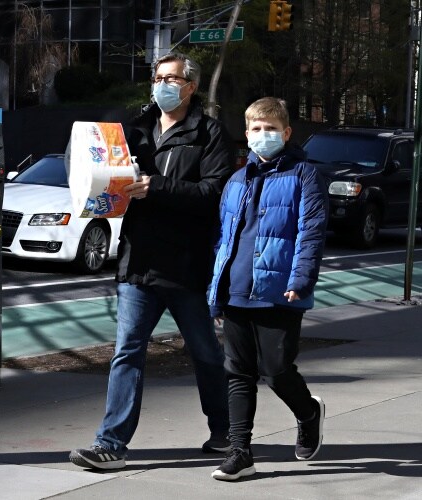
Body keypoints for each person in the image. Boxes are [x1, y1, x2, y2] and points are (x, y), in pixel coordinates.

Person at [69, 52, 236, 470]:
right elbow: (110, 176)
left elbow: (213, 194)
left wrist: (155, 187)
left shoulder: (210, 134)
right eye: (158, 77)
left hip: (185, 264)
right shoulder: (136, 130)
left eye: (172, 78)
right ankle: (111, 444)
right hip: (138, 261)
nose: (163, 85)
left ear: (190, 86)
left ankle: (226, 432)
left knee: (205, 354)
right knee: (127, 351)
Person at [207, 97, 329, 481]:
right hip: (236, 289)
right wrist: (217, 285)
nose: (263, 135)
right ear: (246, 134)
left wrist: (300, 279)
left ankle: (309, 413)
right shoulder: (237, 178)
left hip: (280, 290)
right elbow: (224, 236)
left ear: (287, 132)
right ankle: (241, 452)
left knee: (276, 370)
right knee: (238, 373)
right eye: (256, 129)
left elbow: (311, 232)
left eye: (271, 129)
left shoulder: (304, 174)